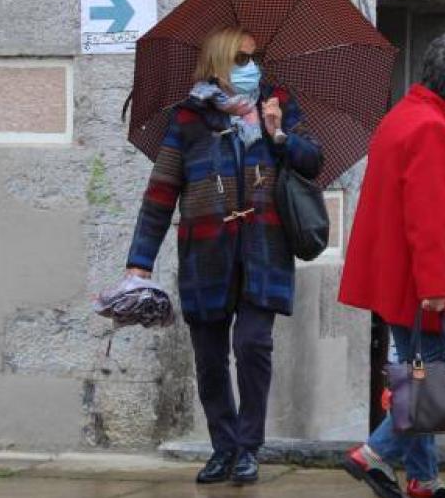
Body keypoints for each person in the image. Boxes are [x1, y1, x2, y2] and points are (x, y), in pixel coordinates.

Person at [124, 28, 323, 485]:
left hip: (264, 248)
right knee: (210, 358)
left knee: (252, 344)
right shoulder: (189, 118)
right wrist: (140, 262)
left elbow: (315, 160)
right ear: (218, 62)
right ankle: (224, 446)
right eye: (241, 58)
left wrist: (278, 136)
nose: (251, 67)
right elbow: (160, 193)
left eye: (254, 58)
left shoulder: (279, 105)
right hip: (206, 252)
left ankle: (249, 447)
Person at [338, 33, 445, 498]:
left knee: (420, 375)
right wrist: (434, 285)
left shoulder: (409, 116)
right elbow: (427, 217)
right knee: (436, 385)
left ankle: (423, 480)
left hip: (401, 280)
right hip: (428, 282)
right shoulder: (431, 129)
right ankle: (371, 454)